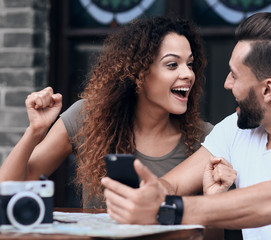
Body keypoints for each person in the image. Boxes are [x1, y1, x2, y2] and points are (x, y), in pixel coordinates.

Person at [102, 12, 271, 239]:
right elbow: (171, 187)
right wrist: (145, 196)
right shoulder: (236, 129)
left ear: (267, 90)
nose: (226, 83)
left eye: (234, 75)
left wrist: (168, 209)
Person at [0, 16, 217, 209]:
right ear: (138, 73)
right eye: (172, 64)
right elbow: (9, 188)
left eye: (190, 64)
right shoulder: (87, 117)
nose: (188, 74)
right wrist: (35, 131)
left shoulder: (205, 138)